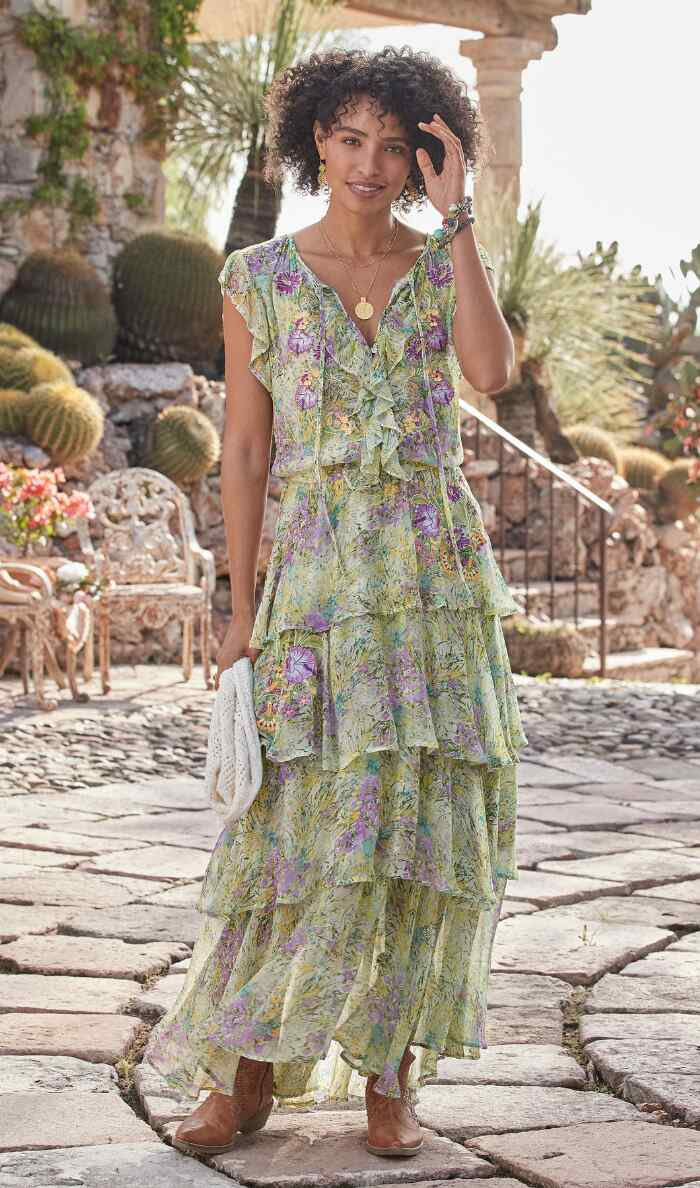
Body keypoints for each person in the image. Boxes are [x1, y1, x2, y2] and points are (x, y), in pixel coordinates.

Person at [144, 44, 527, 1160]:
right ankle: (244, 1073)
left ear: (423, 156)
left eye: (394, 145)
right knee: (289, 825)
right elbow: (246, 450)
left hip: (430, 583)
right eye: (350, 138)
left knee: (410, 823)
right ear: (317, 138)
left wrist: (459, 220)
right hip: (313, 579)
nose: (369, 164)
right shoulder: (257, 277)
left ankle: (388, 1079)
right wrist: (239, 606)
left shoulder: (438, 262)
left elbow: (491, 372)